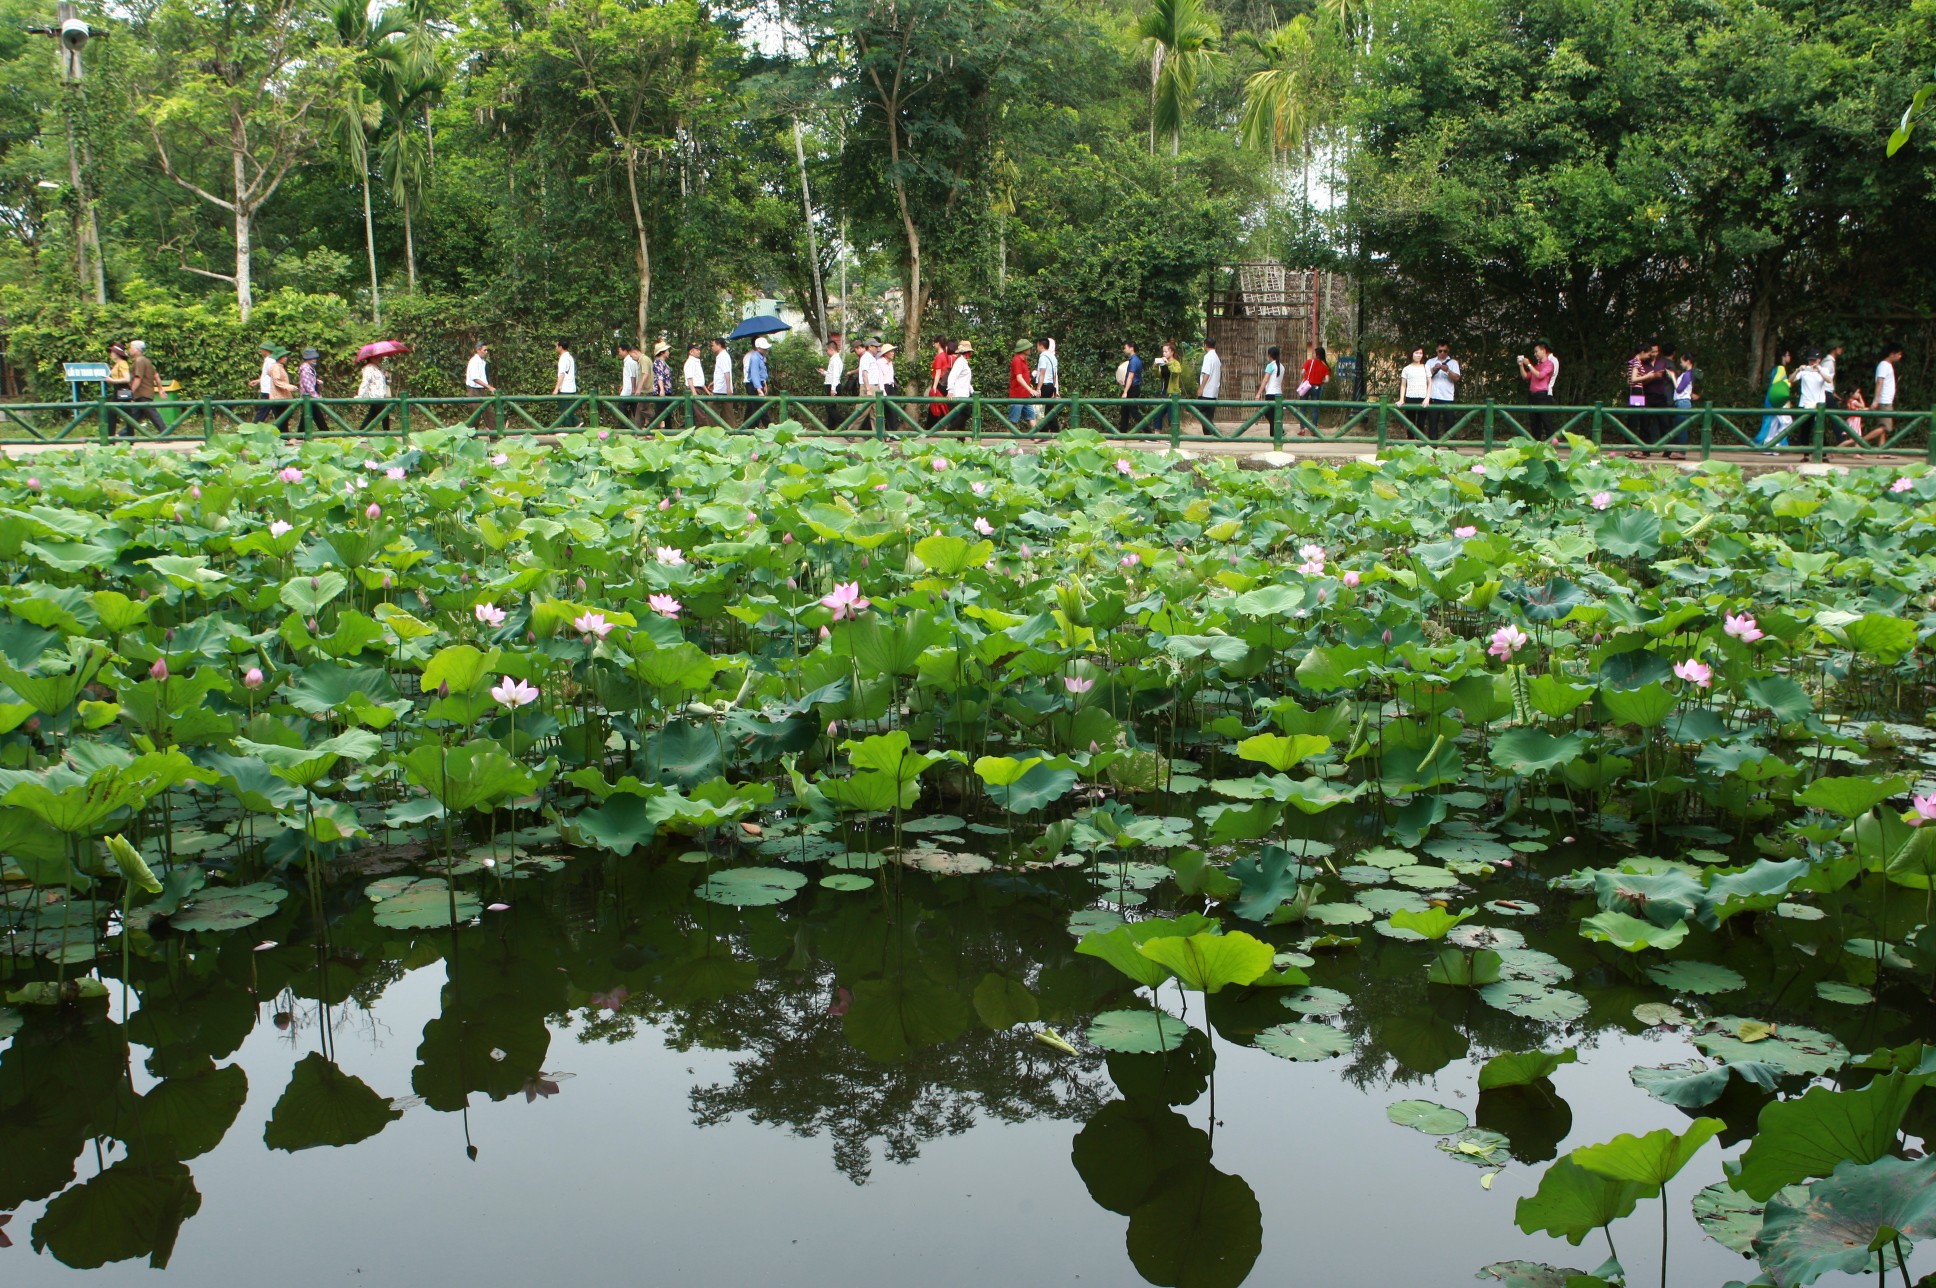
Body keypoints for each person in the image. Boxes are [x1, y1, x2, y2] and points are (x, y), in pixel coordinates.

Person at [1516, 342, 1556, 441]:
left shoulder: (1549, 364)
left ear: (1543, 351)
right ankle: (1535, 445)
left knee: (1546, 421)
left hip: (1542, 396)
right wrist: (1521, 366)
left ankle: (1551, 444)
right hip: (1532, 396)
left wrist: (1529, 364)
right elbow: (1525, 376)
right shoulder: (1537, 366)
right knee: (1534, 423)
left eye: (1536, 351)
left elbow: (1540, 375)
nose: (1535, 354)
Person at [1755, 347, 1794, 448]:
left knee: (1773, 423)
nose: (1789, 357)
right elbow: (1776, 383)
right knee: (1784, 422)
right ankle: (1776, 443)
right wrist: (1787, 383)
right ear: (1783, 357)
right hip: (1775, 399)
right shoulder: (1781, 369)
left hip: (1773, 398)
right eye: (1788, 355)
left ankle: (1770, 444)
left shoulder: (1777, 368)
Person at [1425, 343, 1461, 441]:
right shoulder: (1430, 362)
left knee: (1450, 422)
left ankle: (1451, 443)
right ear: (1436, 350)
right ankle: (1433, 444)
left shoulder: (1453, 363)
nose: (1442, 353)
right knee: (1432, 422)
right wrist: (1433, 369)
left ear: (1448, 351)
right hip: (1433, 396)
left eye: (1445, 351)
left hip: (1447, 397)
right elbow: (1424, 377)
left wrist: (1448, 371)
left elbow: (1457, 378)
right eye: (1440, 351)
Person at [126, 340, 164, 436]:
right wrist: (160, 389)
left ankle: (165, 434)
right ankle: (121, 435)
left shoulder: (139, 361)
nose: (129, 350)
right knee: (133, 417)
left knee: (153, 415)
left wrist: (131, 393)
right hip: (144, 393)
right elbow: (156, 376)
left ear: (136, 349)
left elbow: (138, 378)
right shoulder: (146, 360)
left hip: (142, 393)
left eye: (131, 348)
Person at [1397, 346, 1432, 437]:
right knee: (1410, 423)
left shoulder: (1426, 367)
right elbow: (1403, 385)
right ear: (1412, 354)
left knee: (1421, 423)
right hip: (1410, 397)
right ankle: (1411, 442)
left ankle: (1421, 443)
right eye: (1416, 353)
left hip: (1423, 397)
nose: (1418, 355)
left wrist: (1427, 398)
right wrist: (1401, 399)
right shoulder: (1407, 369)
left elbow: (1430, 383)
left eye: (1420, 353)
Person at [1669, 350, 1699, 455]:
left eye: (1682, 361)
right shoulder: (1687, 374)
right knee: (1679, 427)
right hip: (1680, 402)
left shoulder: (1687, 374)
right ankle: (1678, 450)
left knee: (1682, 428)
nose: (1681, 363)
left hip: (1683, 402)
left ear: (1688, 361)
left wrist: (1672, 376)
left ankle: (1681, 452)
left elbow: (1679, 389)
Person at [1150, 341, 1183, 435]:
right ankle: (1156, 435)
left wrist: (1168, 363)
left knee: (1172, 416)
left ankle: (1174, 437)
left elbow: (1176, 371)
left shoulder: (1176, 363)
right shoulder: (1162, 364)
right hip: (1164, 391)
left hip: (1173, 393)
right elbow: (1157, 376)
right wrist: (1155, 367)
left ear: (1172, 352)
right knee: (1158, 414)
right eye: (1163, 352)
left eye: (1166, 351)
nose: (1164, 354)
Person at [1873, 342, 1902, 446]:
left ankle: (1882, 450)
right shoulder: (1884, 365)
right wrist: (1876, 400)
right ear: (1892, 354)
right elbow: (1879, 382)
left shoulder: (1887, 365)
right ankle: (1860, 442)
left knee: (1883, 427)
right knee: (1885, 427)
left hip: (1886, 400)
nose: (1899, 356)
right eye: (1898, 354)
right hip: (1884, 400)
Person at [942, 338, 974, 431]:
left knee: (962, 416)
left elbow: (966, 380)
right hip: (959, 394)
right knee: (966, 413)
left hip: (964, 394)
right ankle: (950, 429)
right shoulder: (960, 362)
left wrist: (972, 391)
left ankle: (961, 439)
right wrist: (950, 391)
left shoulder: (963, 362)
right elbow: (952, 376)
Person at [467, 341, 497, 436]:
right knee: (475, 414)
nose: (486, 352)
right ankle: (471, 436)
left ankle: (494, 436)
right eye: (485, 350)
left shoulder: (482, 361)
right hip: (473, 390)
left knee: (489, 412)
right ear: (478, 350)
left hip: (481, 389)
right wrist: (489, 387)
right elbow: (475, 378)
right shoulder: (474, 361)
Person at [1008, 339, 1039, 430]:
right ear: (1024, 349)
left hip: (1025, 395)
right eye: (1028, 348)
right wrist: (1030, 389)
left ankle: (1036, 436)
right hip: (1017, 395)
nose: (1030, 349)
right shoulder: (1017, 360)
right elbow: (1019, 377)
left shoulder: (1024, 360)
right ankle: (1006, 441)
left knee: (1031, 416)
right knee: (1013, 420)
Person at [357, 353, 391, 432]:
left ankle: (360, 432)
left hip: (381, 395)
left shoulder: (378, 368)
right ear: (370, 358)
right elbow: (365, 382)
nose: (378, 358)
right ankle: (387, 433)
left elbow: (385, 382)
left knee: (372, 415)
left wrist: (387, 376)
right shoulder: (369, 368)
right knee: (384, 414)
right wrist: (360, 395)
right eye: (375, 357)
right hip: (375, 395)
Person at [925, 339, 955, 430]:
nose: (934, 345)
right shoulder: (946, 356)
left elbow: (938, 372)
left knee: (935, 407)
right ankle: (940, 427)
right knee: (942, 406)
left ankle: (930, 428)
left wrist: (934, 386)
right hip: (945, 383)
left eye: (934, 343)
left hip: (938, 383)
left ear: (938, 343)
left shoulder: (939, 356)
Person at [1257, 344, 1284, 439]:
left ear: (1269, 355)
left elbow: (1265, 380)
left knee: (1267, 413)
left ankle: (1279, 430)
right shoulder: (1282, 366)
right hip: (1278, 394)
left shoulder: (1270, 366)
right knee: (1275, 414)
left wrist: (1259, 393)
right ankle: (1274, 433)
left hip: (1271, 393)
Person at [743, 336, 771, 428]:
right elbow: (754, 374)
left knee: (756, 409)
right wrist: (759, 389)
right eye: (764, 348)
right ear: (758, 348)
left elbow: (762, 373)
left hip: (759, 384)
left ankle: (751, 429)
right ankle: (770, 429)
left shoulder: (761, 357)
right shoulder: (755, 358)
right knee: (759, 410)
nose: (766, 349)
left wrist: (764, 383)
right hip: (755, 386)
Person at [1117, 341, 1144, 434]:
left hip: (1132, 388)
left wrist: (1125, 391)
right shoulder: (1135, 360)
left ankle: (1148, 431)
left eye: (1125, 348)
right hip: (1132, 387)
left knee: (1134, 412)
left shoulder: (1134, 361)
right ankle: (1122, 432)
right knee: (1124, 411)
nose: (1124, 350)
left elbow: (1130, 377)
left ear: (1131, 348)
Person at [1035, 338, 1061, 432]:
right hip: (1051, 385)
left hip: (1044, 385)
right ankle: (1054, 429)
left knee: (1041, 410)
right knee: (1049, 409)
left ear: (1041, 345)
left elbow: (1042, 373)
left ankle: (1044, 430)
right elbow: (1055, 374)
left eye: (1037, 345)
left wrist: (1038, 388)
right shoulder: (1053, 357)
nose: (1037, 348)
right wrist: (1054, 388)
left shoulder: (1043, 357)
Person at [552, 339, 579, 428]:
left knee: (565, 410)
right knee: (568, 409)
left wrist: (556, 388)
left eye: (556, 346)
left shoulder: (563, 358)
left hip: (565, 388)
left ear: (560, 347)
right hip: (571, 387)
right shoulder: (570, 357)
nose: (555, 348)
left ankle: (571, 426)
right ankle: (575, 423)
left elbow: (562, 374)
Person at [1195, 338, 1220, 434]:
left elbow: (1207, 373)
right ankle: (1211, 433)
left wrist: (1201, 387)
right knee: (1209, 415)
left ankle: (1209, 433)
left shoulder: (1208, 357)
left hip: (1207, 391)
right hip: (1213, 391)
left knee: (1202, 414)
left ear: (1205, 345)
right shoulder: (1216, 357)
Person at [709, 337, 734, 426]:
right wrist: (714, 382)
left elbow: (726, 372)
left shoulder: (723, 356)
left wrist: (728, 388)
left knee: (715, 411)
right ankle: (723, 430)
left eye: (713, 345)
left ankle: (729, 432)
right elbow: (721, 372)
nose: (712, 347)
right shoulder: (720, 356)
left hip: (723, 390)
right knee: (724, 413)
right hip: (720, 388)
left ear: (719, 345)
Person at [296, 347, 321, 436]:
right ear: (307, 359)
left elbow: (310, 381)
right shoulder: (305, 368)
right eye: (312, 358)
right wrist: (316, 396)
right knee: (317, 416)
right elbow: (307, 385)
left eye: (315, 358)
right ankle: (326, 433)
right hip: (308, 397)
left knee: (308, 416)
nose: (314, 359)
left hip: (310, 397)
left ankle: (299, 435)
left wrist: (317, 381)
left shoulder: (311, 368)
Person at [618, 340, 642, 426]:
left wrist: (633, 390)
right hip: (628, 390)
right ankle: (637, 428)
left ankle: (625, 429)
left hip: (628, 392)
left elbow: (633, 376)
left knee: (622, 411)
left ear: (625, 351)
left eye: (620, 351)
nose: (619, 353)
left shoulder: (630, 362)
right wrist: (623, 385)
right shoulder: (628, 362)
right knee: (634, 411)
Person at [1821, 342, 1844, 408]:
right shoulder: (1828, 362)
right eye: (1839, 347)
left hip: (1828, 392)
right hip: (1826, 392)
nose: (1841, 349)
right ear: (1833, 349)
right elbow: (1824, 378)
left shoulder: (1829, 361)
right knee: (1833, 413)